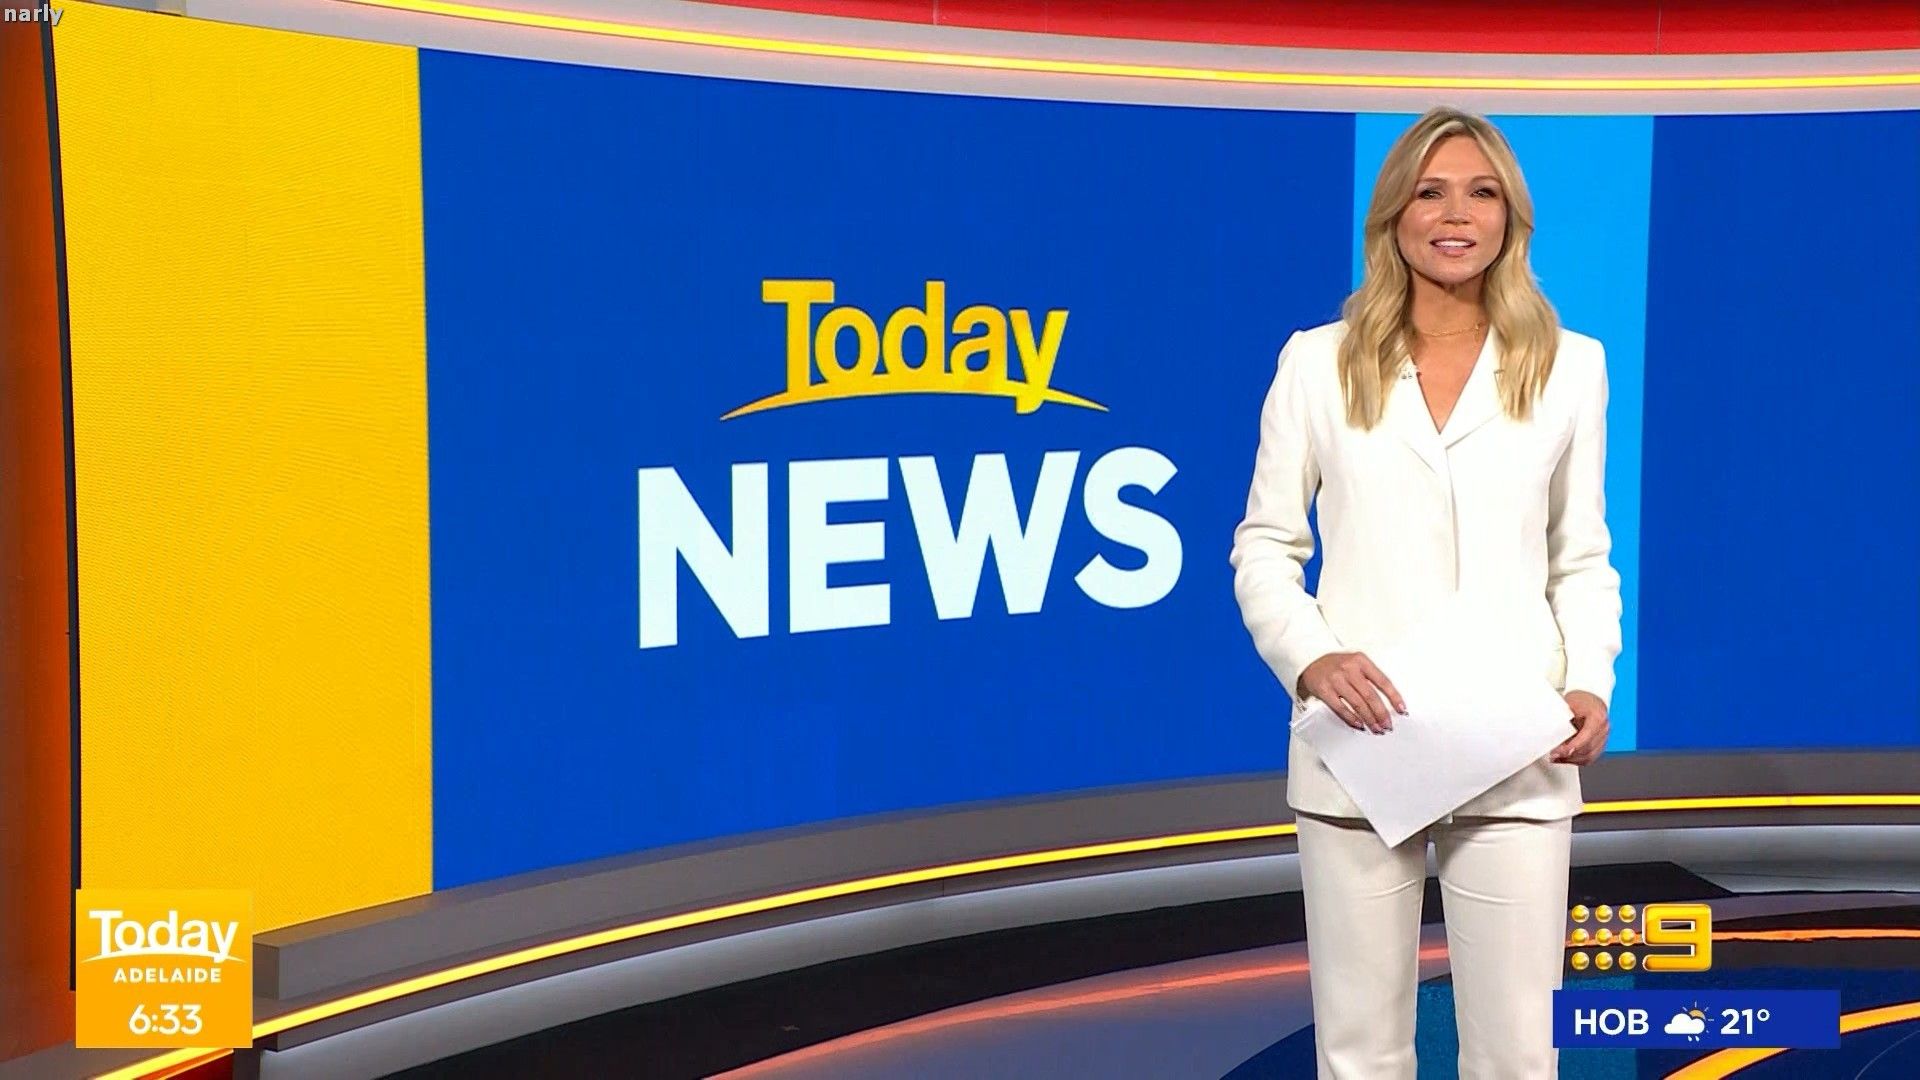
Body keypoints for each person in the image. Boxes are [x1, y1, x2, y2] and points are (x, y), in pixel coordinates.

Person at [1229, 106, 1623, 1079]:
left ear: (1510, 218)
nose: (1456, 215)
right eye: (1431, 192)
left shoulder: (1571, 366)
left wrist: (1590, 677)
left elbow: (1580, 553)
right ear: (1394, 215)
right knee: (1360, 1052)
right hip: (1364, 740)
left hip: (1515, 739)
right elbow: (1265, 547)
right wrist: (1311, 658)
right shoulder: (1315, 362)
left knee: (1519, 1052)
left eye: (1481, 193)